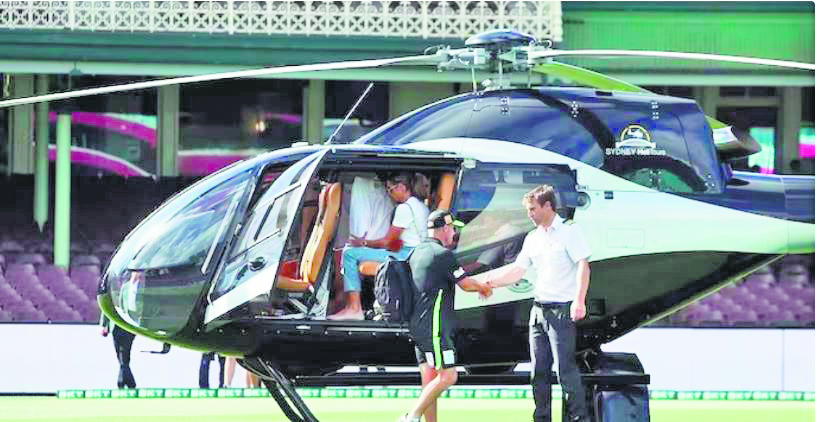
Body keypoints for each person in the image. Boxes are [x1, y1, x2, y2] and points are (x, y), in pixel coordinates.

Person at [484, 184, 592, 422]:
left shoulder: (570, 232)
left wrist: (579, 300)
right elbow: (517, 271)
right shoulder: (532, 238)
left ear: (548, 206)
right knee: (538, 372)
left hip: (561, 310)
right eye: (528, 210)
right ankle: (541, 418)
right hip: (538, 311)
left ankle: (578, 418)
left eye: (533, 209)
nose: (529, 214)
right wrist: (489, 283)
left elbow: (583, 266)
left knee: (565, 371)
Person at [396, 209, 493, 422]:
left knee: (430, 382)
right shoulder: (443, 255)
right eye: (452, 229)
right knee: (449, 376)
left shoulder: (417, 252)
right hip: (435, 329)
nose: (454, 234)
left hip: (418, 327)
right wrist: (483, 287)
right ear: (445, 228)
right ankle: (410, 417)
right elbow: (466, 284)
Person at [330, 173, 429, 320]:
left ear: (402, 187)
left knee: (349, 253)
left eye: (390, 189)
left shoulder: (405, 209)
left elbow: (388, 242)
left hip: (407, 255)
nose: (389, 194)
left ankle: (354, 308)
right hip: (414, 252)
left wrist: (363, 243)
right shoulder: (420, 206)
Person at [100, 315, 137, 389]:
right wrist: (104, 325)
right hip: (116, 327)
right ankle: (129, 382)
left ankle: (122, 382)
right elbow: (106, 307)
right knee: (121, 356)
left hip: (129, 327)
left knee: (124, 355)